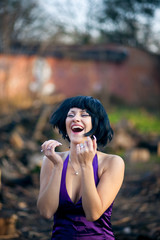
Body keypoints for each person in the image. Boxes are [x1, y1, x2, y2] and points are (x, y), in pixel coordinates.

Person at [37, 96, 125, 240]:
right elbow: (46, 212)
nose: (76, 119)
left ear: (96, 124)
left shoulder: (113, 162)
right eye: (70, 115)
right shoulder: (51, 160)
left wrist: (86, 166)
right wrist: (58, 166)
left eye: (84, 115)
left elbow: (93, 214)